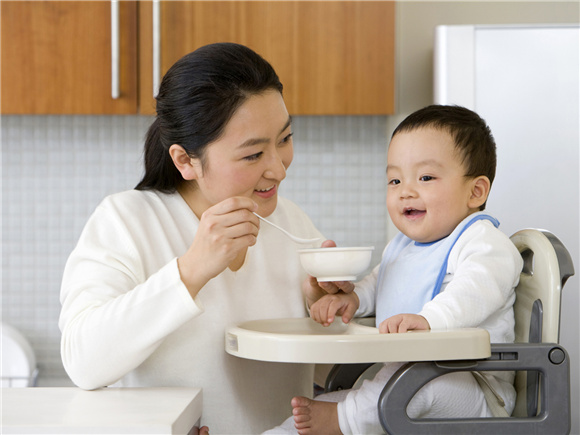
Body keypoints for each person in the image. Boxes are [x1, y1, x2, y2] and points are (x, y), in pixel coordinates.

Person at [59, 42, 331, 434]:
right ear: (186, 160)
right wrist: (192, 270)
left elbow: (330, 371)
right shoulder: (128, 220)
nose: (279, 169)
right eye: (253, 155)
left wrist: (333, 313)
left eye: (284, 140)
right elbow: (83, 362)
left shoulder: (292, 223)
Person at [266, 105, 523, 434]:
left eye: (426, 177)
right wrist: (354, 300)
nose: (406, 190)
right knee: (339, 401)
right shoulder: (401, 246)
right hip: (413, 375)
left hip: (474, 390)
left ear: (476, 191)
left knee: (404, 385)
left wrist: (429, 321)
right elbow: (379, 283)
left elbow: (472, 293)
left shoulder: (485, 244)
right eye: (395, 179)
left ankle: (343, 422)